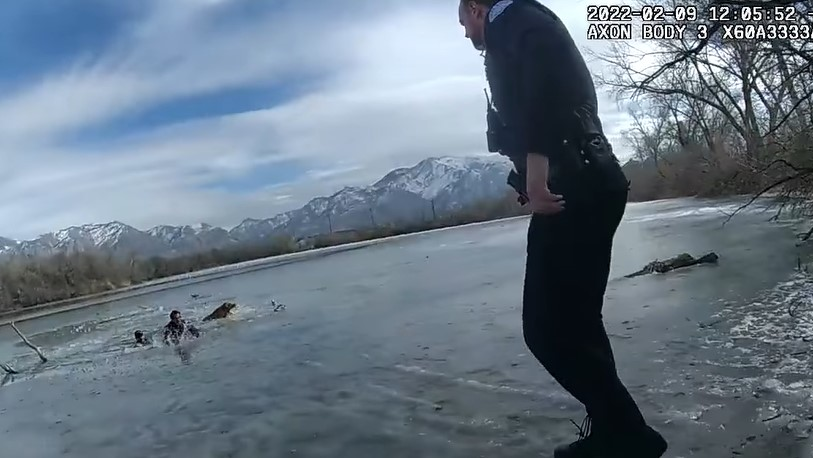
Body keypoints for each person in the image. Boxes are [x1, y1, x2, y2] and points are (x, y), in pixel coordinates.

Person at [457, 1, 667, 457]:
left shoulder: (511, 19)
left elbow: (545, 89)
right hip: (591, 180)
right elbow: (556, 100)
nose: (467, 35)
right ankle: (616, 433)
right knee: (577, 323)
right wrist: (526, 176)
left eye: (464, 23)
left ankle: (629, 435)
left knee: (546, 330)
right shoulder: (527, 23)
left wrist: (537, 167)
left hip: (576, 188)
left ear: (477, 8)